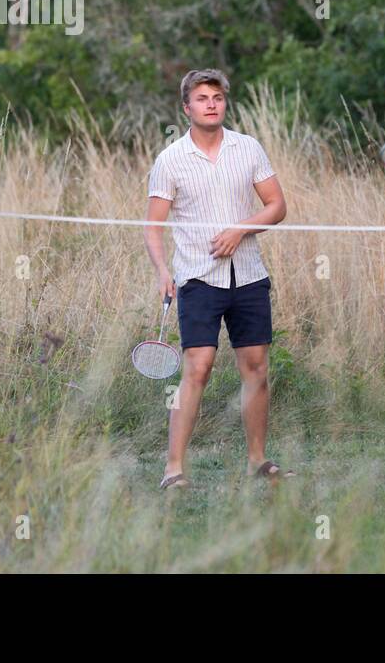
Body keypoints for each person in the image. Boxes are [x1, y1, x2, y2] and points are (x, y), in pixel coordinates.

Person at [144, 69, 291, 489]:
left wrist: (240, 229)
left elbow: (277, 206)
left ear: (225, 103)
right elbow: (153, 226)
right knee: (198, 366)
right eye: (202, 98)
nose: (211, 103)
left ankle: (258, 460)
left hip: (248, 276)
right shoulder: (170, 159)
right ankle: (174, 469)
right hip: (196, 278)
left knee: (256, 366)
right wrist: (162, 271)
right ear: (186, 107)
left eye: (218, 97)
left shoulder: (248, 149)